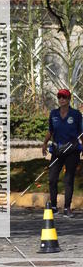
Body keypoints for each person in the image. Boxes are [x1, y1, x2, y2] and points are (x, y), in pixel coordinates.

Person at [42, 88, 83, 217]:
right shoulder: (53, 114)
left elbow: (81, 132)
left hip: (72, 150)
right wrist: (44, 143)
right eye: (59, 97)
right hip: (57, 150)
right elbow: (51, 131)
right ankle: (53, 207)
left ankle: (67, 209)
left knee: (68, 179)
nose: (61, 99)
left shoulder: (76, 114)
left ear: (69, 99)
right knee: (52, 178)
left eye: (64, 97)